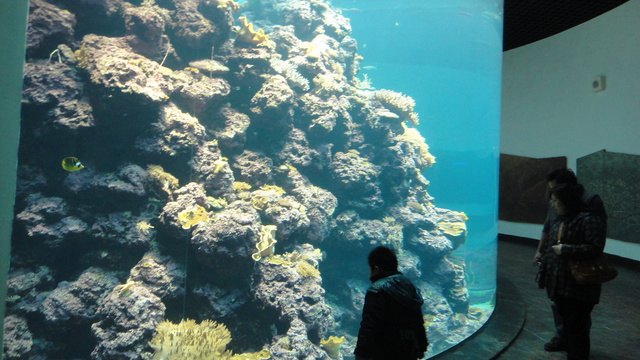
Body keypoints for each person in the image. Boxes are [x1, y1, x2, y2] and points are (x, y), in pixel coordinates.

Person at [532, 168, 607, 352]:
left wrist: (567, 249)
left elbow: (596, 243)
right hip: (560, 277)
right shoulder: (559, 212)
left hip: (578, 276)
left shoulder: (590, 206)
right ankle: (563, 338)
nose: (553, 201)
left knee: (577, 321)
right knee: (564, 312)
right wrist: (541, 255)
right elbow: (549, 228)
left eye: (556, 192)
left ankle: (574, 344)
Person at [354, 246, 428, 360]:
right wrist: (422, 346)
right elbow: (418, 321)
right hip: (408, 350)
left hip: (384, 352)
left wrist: (361, 354)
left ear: (376, 269)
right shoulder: (408, 285)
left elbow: (369, 326)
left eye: (370, 270)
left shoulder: (377, 290)